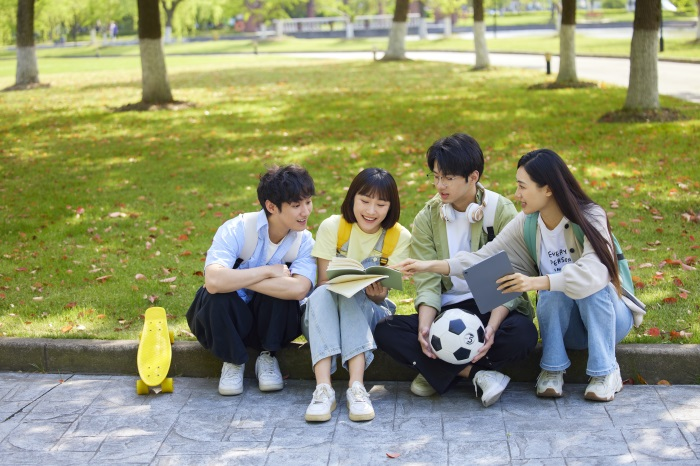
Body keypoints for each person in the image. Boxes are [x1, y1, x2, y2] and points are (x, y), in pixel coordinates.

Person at [398, 148, 637, 402]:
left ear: (548, 189)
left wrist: (537, 282)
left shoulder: (590, 215)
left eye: (522, 187)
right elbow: (485, 257)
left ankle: (606, 372)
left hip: (609, 320)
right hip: (568, 328)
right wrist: (429, 266)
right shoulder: (528, 222)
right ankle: (552, 370)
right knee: (554, 292)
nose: (517, 194)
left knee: (584, 287)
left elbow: (595, 273)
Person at [374, 133, 537, 407]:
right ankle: (476, 374)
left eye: (448, 178)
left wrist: (493, 328)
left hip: (491, 305)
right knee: (386, 330)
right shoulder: (427, 217)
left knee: (523, 335)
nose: (440, 185)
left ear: (473, 177)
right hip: (446, 311)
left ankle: (436, 370)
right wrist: (426, 328)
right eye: (436, 176)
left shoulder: (500, 211)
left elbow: (512, 279)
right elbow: (428, 283)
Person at [186, 165, 316, 396]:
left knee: (282, 295)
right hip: (228, 319)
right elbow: (213, 282)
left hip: (269, 321)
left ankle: (267, 356)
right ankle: (233, 361)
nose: (305, 212)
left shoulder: (304, 241)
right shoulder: (237, 229)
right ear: (271, 206)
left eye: (308, 202)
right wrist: (267, 271)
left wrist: (236, 278)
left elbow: (299, 289)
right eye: (296, 206)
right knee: (216, 297)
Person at [302, 168, 411, 422]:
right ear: (352, 199)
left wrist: (377, 295)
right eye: (365, 201)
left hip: (370, 314)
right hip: (324, 316)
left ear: (390, 207)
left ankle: (356, 388)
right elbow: (322, 283)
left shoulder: (398, 237)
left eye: (381, 204)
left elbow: (383, 295)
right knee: (322, 294)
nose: (371, 211)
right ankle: (323, 389)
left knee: (353, 297)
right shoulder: (333, 227)